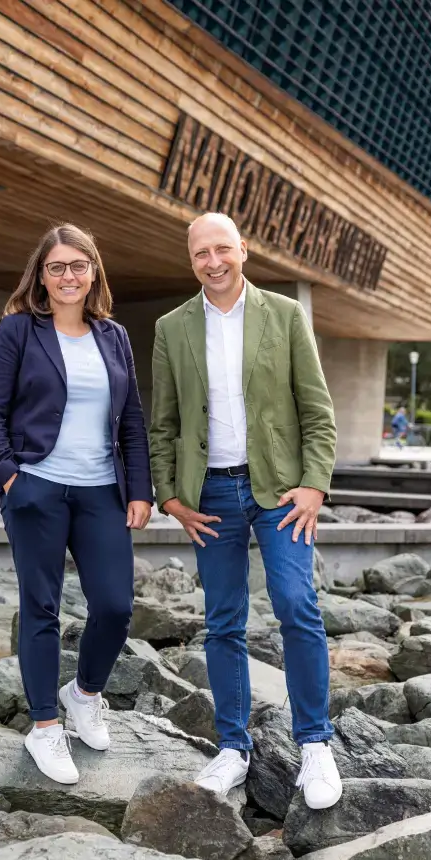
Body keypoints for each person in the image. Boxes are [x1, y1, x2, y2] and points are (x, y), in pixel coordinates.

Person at [149, 212, 342, 810]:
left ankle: (315, 743)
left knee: (296, 604)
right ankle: (233, 748)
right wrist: (170, 496)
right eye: (201, 253)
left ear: (243, 251)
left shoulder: (284, 315)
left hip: (281, 494)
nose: (213, 261)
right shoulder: (170, 327)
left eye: (222, 249)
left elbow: (317, 411)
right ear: (192, 260)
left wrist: (314, 485)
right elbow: (164, 423)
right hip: (209, 498)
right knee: (223, 618)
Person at [0, 223, 152, 785]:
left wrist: (141, 489)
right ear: (41, 276)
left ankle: (84, 695)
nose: (69, 276)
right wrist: (10, 479)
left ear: (94, 270)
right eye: (58, 267)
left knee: (115, 606)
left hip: (102, 490)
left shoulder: (114, 336)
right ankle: (45, 728)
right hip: (37, 488)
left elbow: (132, 422)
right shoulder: (18, 332)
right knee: (42, 607)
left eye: (79, 265)